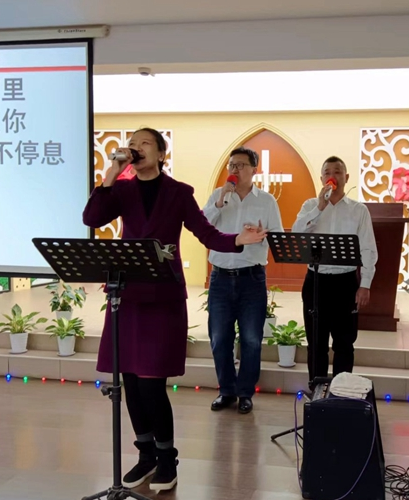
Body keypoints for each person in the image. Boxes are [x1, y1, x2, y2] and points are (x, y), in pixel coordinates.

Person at [82, 128, 266, 493]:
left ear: (162, 154)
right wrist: (109, 173)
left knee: (152, 385)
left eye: (144, 143)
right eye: (132, 144)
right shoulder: (121, 189)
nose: (135, 148)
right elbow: (92, 217)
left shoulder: (178, 193)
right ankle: (145, 455)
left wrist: (237, 241)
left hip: (162, 298)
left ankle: (167, 459)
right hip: (128, 296)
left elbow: (206, 232)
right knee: (130, 384)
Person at [202, 147, 284, 414]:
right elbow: (203, 227)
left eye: (240, 165)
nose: (234, 170)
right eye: (231, 165)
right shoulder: (219, 195)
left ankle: (245, 392)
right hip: (220, 278)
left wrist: (263, 234)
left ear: (254, 169)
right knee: (219, 338)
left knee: (250, 339)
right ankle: (226, 391)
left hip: (252, 278)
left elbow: (278, 237)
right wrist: (220, 200)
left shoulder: (267, 201)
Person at [291, 156, 377, 382]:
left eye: (337, 172)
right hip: (316, 281)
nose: (332, 176)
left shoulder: (359, 211)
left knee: (344, 343)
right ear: (321, 179)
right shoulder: (310, 205)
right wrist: (319, 207)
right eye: (327, 172)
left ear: (346, 178)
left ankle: (341, 394)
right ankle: (317, 393)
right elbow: (297, 234)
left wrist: (365, 285)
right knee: (316, 342)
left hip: (346, 281)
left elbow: (368, 249)